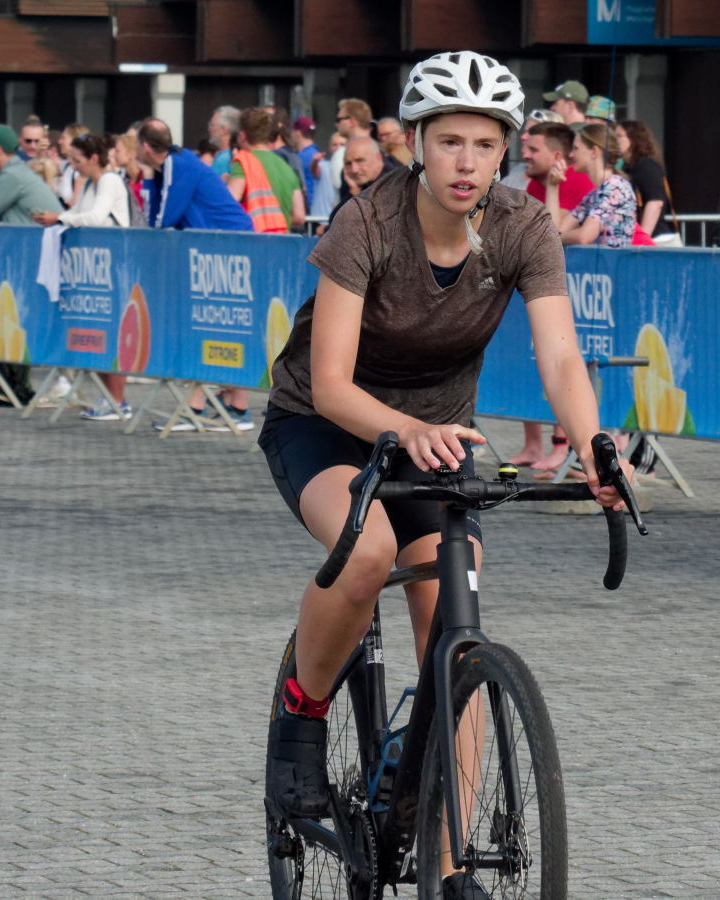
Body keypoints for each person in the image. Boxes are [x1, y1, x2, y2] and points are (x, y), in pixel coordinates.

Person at [259, 56, 632, 896]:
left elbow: (560, 357)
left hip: (436, 440)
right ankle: (301, 716)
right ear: (418, 143)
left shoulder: (523, 227)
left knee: (454, 623)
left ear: (506, 151)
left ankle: (450, 862)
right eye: (450, 141)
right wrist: (409, 429)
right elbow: (331, 383)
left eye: (485, 144)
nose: (467, 162)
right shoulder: (366, 222)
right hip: (324, 425)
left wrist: (594, 444)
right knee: (366, 554)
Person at [136, 118, 256, 432]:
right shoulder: (171, 166)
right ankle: (230, 406)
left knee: (213, 324)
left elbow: (161, 219)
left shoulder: (178, 165)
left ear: (146, 146)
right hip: (219, 247)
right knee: (217, 324)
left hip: (227, 247)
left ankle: (202, 406)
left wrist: (146, 178)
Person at [508, 121, 596, 468]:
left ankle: (565, 445)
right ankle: (533, 445)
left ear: (557, 155)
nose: (525, 155)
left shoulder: (577, 181)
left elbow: (552, 231)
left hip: (570, 286)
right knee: (527, 363)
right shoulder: (533, 182)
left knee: (564, 361)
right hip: (533, 284)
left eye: (533, 149)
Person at [31, 133, 133, 422]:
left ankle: (118, 401)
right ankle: (110, 399)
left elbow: (96, 217)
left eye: (77, 161)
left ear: (93, 158)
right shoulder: (89, 182)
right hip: (95, 270)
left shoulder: (110, 181)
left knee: (112, 334)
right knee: (100, 335)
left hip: (114, 267)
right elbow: (77, 213)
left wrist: (59, 218)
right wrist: (56, 217)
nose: (74, 167)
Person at [0, 124, 62, 405]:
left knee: (15, 322)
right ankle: (10, 386)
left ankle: (12, 387)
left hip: (29, 264)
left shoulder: (12, 176)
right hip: (25, 261)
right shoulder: (17, 173)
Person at [548, 121, 636, 248]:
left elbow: (584, 236)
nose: (571, 155)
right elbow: (556, 229)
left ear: (594, 151)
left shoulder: (614, 187)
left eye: (576, 149)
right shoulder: (595, 195)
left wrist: (552, 238)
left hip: (612, 261)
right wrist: (552, 187)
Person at [227, 107, 306, 233]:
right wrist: (280, 220)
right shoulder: (286, 167)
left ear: (242, 136)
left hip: (251, 239)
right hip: (283, 240)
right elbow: (299, 216)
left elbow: (228, 204)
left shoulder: (243, 162)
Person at [617, 119, 680, 246]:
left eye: (619, 136)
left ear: (633, 139)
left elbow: (655, 202)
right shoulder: (627, 167)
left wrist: (642, 239)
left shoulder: (646, 165)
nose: (615, 140)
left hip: (657, 240)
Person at [328, 135, 386, 224]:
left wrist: (357, 195)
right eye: (348, 163)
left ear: (378, 158)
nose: (354, 169)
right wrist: (353, 192)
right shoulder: (349, 178)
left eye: (360, 161)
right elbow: (335, 220)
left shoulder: (395, 180)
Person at [329, 98, 373, 203]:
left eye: (339, 120)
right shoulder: (378, 150)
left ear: (352, 121)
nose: (336, 124)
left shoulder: (341, 154)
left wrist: (354, 192)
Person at [56, 124, 90, 207]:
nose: (59, 142)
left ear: (75, 141)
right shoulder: (66, 166)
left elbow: (79, 205)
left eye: (63, 138)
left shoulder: (82, 170)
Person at [290, 116, 320, 210]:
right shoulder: (316, 153)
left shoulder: (300, 158)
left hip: (306, 207)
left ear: (298, 133)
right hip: (317, 207)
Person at [207, 105, 241, 180]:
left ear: (224, 130)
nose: (209, 129)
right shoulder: (237, 154)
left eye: (212, 125)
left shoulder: (224, 159)